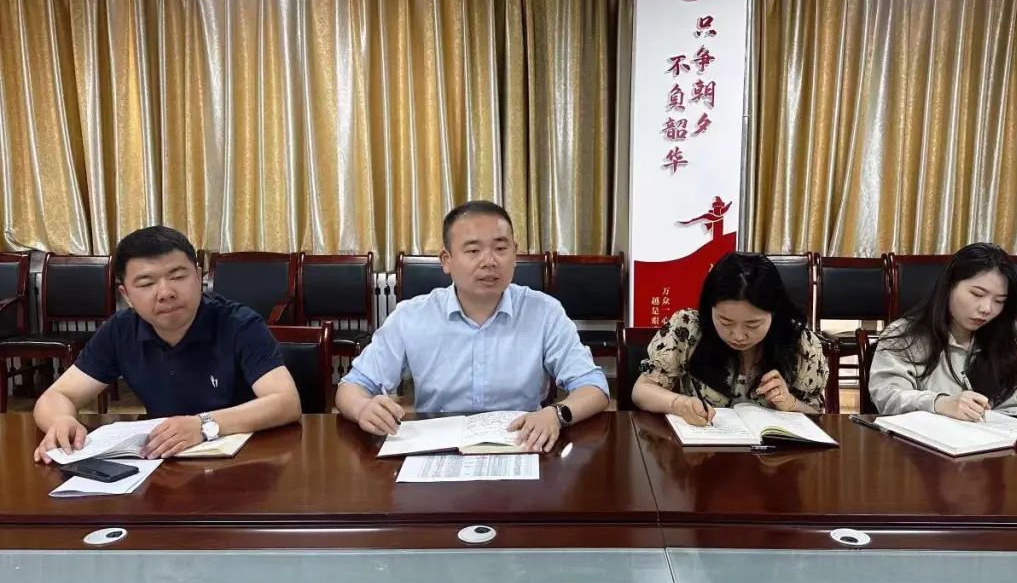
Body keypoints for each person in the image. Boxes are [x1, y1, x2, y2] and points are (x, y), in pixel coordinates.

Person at [336, 200, 609, 452]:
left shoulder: (544, 312)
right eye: (473, 251)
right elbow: (352, 387)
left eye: (500, 249)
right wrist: (363, 408)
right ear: (446, 260)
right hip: (438, 448)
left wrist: (557, 414)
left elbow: (594, 387)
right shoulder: (412, 316)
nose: (489, 261)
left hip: (521, 446)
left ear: (515, 253)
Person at [32, 226, 302, 463]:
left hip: (243, 459)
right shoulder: (120, 331)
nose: (165, 292)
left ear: (198, 276)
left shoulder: (239, 324)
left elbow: (286, 402)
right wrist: (61, 420)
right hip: (163, 463)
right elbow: (57, 396)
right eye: (146, 283)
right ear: (126, 295)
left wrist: (203, 425)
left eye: (177, 276)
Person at [632, 252, 828, 424]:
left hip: (773, 453)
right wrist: (679, 404)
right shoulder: (688, 328)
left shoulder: (800, 343)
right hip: (703, 448)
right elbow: (642, 390)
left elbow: (818, 416)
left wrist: (790, 403)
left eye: (753, 325)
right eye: (725, 322)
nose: (738, 336)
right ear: (709, 309)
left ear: (774, 313)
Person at [869, 242, 1017, 419]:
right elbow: (888, 396)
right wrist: (939, 403)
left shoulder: (1005, 345)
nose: (987, 308)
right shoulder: (904, 335)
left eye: (999, 301)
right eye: (977, 294)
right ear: (949, 286)